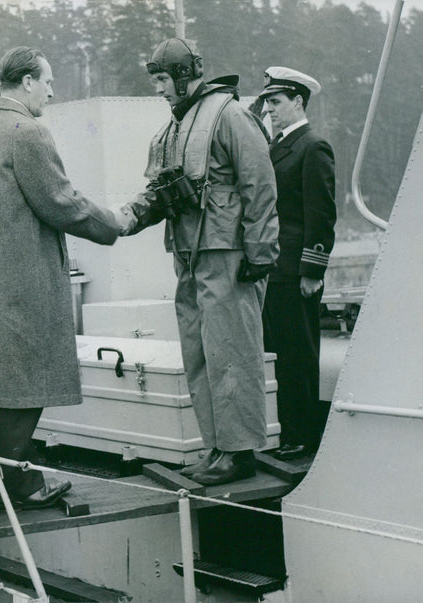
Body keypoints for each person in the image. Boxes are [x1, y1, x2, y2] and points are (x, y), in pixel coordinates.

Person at [0, 46, 131, 508]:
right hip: (19, 289)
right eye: (48, 82)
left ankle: (2, 482)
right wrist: (115, 222)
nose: (51, 92)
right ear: (27, 81)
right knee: (22, 384)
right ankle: (20, 486)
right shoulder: (27, 132)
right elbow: (61, 203)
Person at [122, 38, 279, 486]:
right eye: (155, 80)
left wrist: (261, 252)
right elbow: (157, 192)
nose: (159, 89)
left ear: (185, 74)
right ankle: (217, 448)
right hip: (190, 257)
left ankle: (240, 451)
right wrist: (127, 217)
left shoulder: (229, 116)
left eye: (163, 79)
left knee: (231, 354)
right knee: (200, 354)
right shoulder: (173, 129)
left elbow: (260, 185)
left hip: (228, 257)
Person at [260, 67, 336, 460]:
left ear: (298, 102)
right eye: (267, 102)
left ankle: (304, 437)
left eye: (275, 102)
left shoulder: (312, 146)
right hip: (274, 268)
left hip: (294, 271)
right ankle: (288, 432)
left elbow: (320, 214)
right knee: (279, 352)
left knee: (298, 355)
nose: (269, 109)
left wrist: (312, 271)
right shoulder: (277, 146)